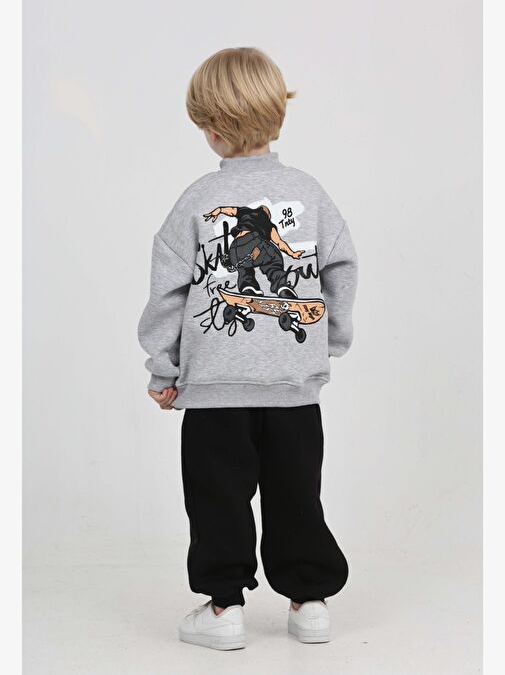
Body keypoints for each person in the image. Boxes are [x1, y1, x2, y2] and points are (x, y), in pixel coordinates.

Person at [138, 47, 358, 650]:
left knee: (218, 499)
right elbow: (341, 267)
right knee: (296, 495)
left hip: (215, 392)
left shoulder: (196, 199)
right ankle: (309, 602)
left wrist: (163, 368)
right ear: (277, 114)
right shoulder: (310, 193)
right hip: (294, 390)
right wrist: (330, 341)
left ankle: (223, 609)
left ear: (211, 129)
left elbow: (167, 291)